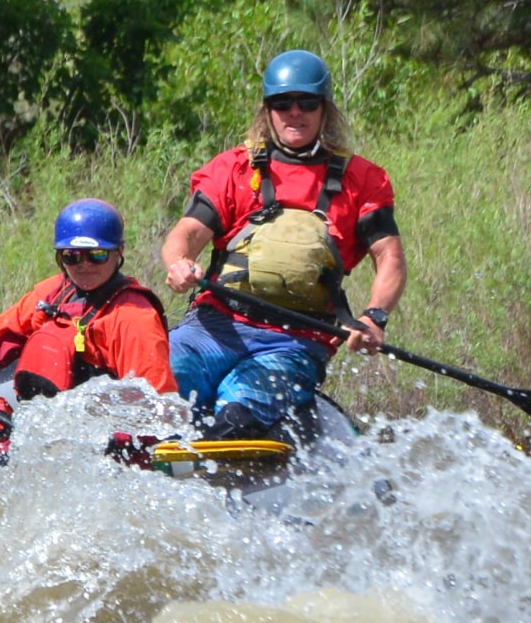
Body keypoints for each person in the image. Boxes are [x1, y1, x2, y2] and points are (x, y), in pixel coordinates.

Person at [158, 50, 405, 440]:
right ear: (267, 110)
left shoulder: (363, 179)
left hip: (294, 342)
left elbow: (389, 256)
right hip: (214, 326)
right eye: (282, 103)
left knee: (236, 418)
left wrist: (375, 316)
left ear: (324, 109)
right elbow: (185, 234)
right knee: (157, 390)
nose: (295, 112)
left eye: (307, 102)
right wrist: (178, 262)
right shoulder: (233, 168)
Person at [0, 199, 176, 399]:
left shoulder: (134, 317)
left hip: (101, 423)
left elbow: (155, 403)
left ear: (118, 252)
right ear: (60, 256)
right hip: (42, 409)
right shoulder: (52, 293)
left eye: (97, 255)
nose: (84, 265)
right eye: (72, 255)